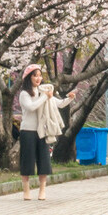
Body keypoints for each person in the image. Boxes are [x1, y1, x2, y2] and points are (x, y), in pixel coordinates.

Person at [17, 63, 76, 201]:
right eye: (35, 76)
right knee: (27, 160)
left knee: (44, 160)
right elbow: (31, 107)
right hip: (27, 131)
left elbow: (59, 104)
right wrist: (45, 96)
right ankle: (26, 190)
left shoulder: (43, 92)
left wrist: (70, 98)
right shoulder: (25, 94)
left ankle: (42, 190)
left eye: (39, 76)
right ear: (28, 78)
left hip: (42, 131)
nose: (38, 79)